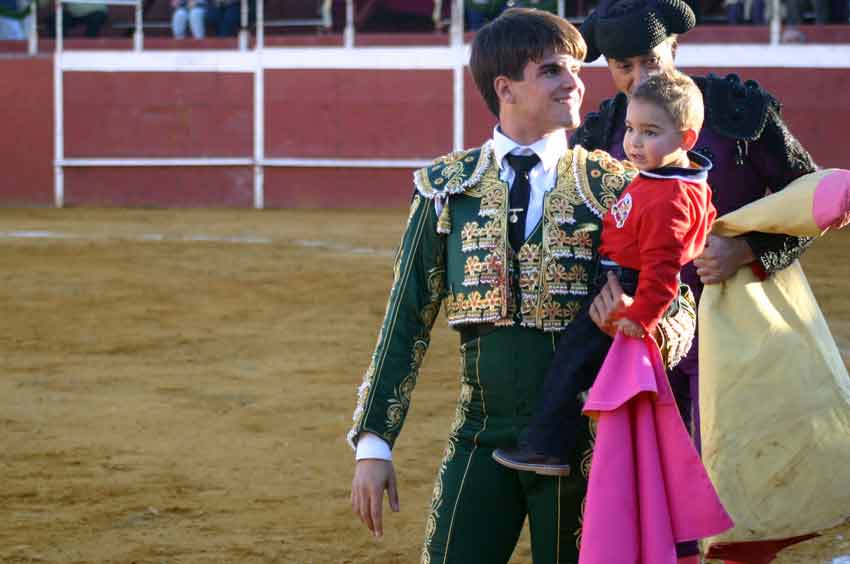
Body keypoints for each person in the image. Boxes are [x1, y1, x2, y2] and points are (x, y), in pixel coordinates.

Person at [348, 8, 699, 564]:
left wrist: (642, 323)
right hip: (480, 435)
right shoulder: (448, 189)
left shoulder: (615, 185)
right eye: (554, 70)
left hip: (587, 445)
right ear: (505, 88)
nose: (576, 82)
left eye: (578, 68)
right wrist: (374, 442)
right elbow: (406, 317)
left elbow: (680, 305)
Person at [571, 0, 817, 560]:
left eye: (650, 62)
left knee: (741, 482)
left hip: (741, 334)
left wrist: (750, 248)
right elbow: (583, 231)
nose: (638, 78)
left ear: (673, 50)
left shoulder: (737, 109)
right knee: (662, 477)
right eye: (622, 67)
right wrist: (602, 290)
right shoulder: (604, 131)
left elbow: (812, 199)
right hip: (646, 339)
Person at [493, 70, 716, 476]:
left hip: (626, 287)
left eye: (650, 132)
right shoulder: (669, 180)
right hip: (622, 280)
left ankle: (547, 447)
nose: (634, 142)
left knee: (572, 360)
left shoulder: (672, 198)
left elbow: (664, 272)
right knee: (583, 364)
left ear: (686, 140)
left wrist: (638, 319)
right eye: (631, 129)